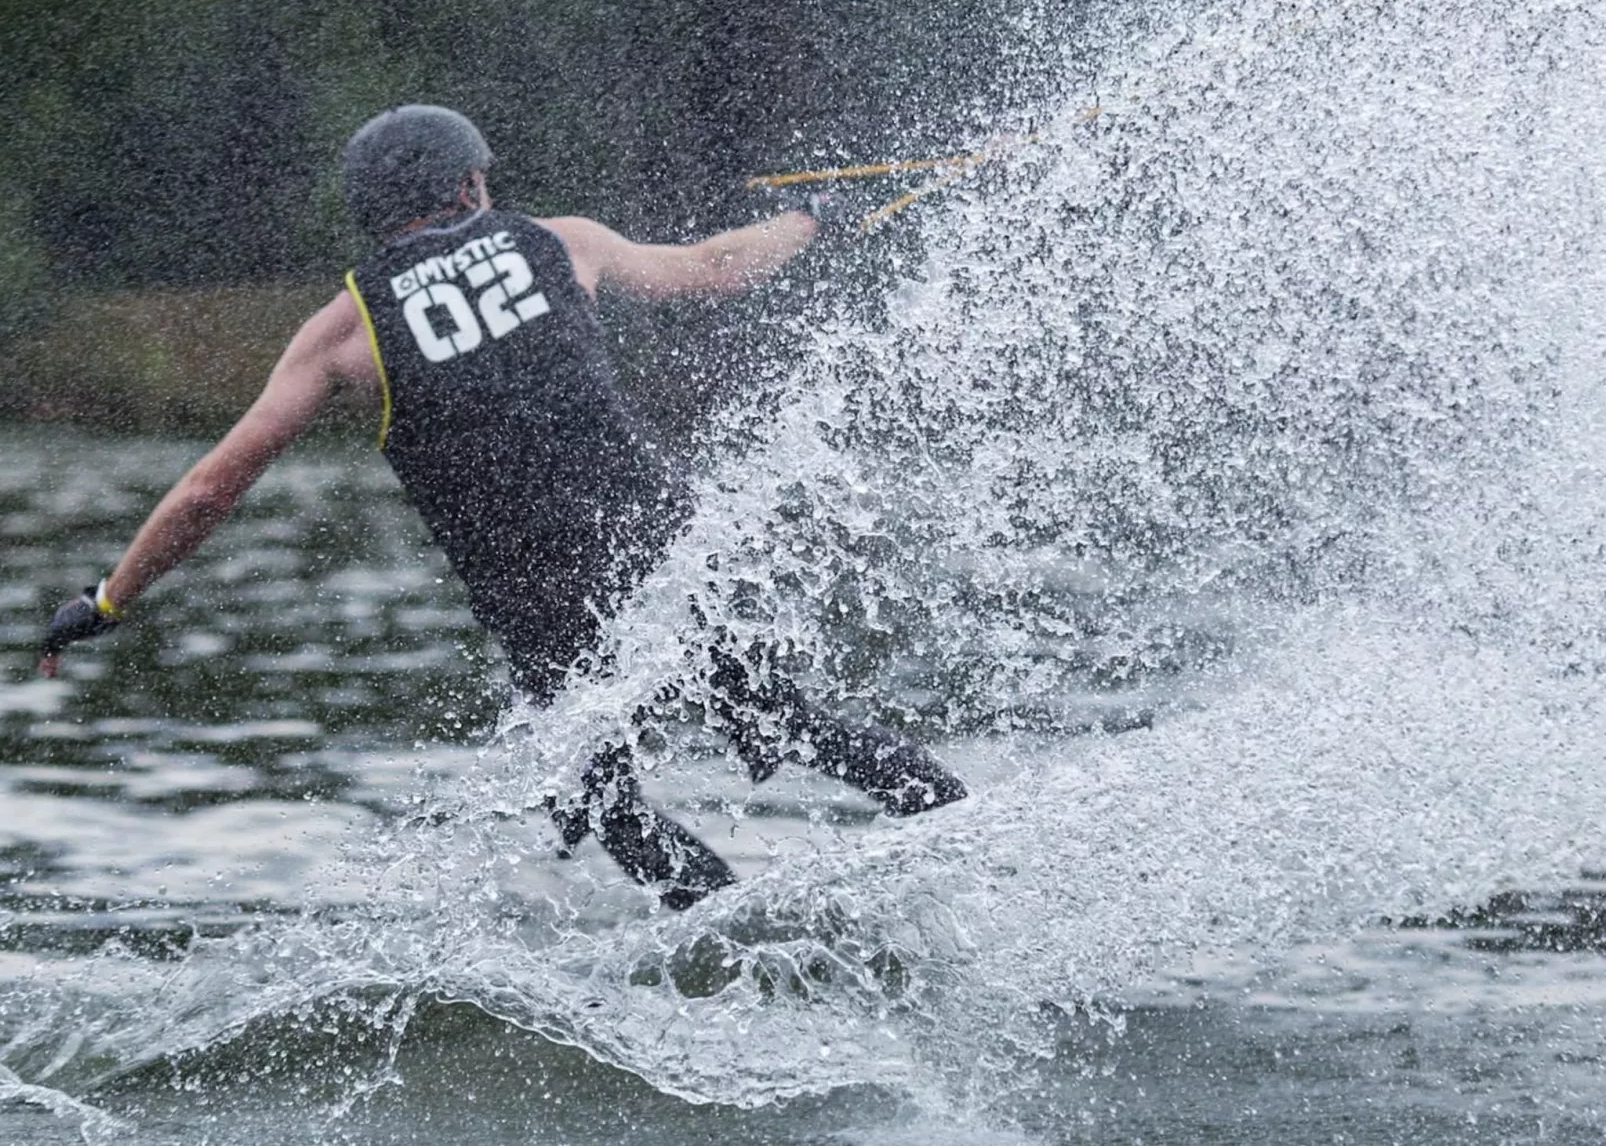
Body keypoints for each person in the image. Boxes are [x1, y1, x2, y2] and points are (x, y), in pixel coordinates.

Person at [38, 104, 966, 909]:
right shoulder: (558, 242)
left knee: (607, 805)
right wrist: (813, 216)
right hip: (661, 565)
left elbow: (209, 489)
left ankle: (726, 929)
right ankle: (964, 833)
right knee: (790, 722)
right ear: (470, 183)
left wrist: (109, 598)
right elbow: (715, 268)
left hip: (542, 611)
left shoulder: (345, 331)